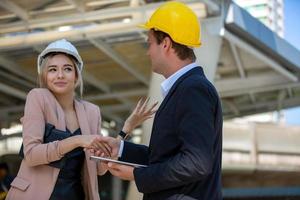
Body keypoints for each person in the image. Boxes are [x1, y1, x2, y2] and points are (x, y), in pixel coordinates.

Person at [99, 2, 223, 200]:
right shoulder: (187, 88)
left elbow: (196, 162)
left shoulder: (193, 89)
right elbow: (164, 159)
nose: (148, 52)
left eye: (149, 43)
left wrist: (137, 175)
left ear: (165, 44)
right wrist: (120, 149)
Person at [6, 39, 156, 200]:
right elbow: (32, 154)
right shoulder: (38, 97)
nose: (60, 75)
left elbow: (99, 167)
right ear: (44, 75)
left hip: (75, 195)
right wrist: (78, 140)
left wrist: (126, 128)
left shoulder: (91, 111)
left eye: (68, 69)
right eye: (52, 69)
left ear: (77, 75)